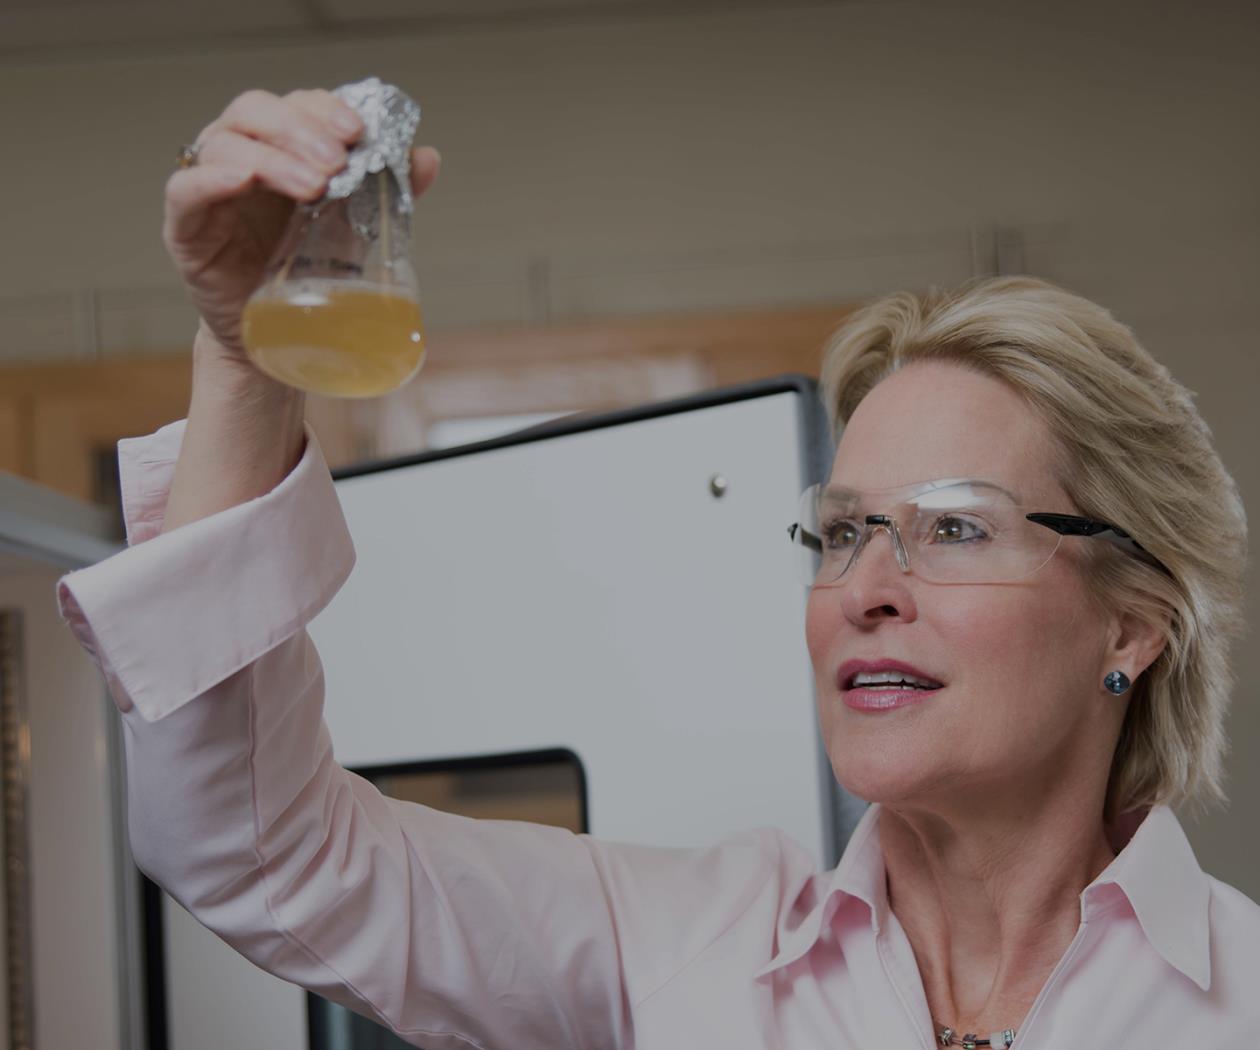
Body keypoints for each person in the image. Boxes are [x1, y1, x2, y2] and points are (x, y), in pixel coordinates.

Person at [58, 88, 1259, 1048]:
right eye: (842, 531)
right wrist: (241, 355)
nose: (866, 588)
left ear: (1133, 625)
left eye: (953, 527)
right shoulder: (681, 950)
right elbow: (267, 855)